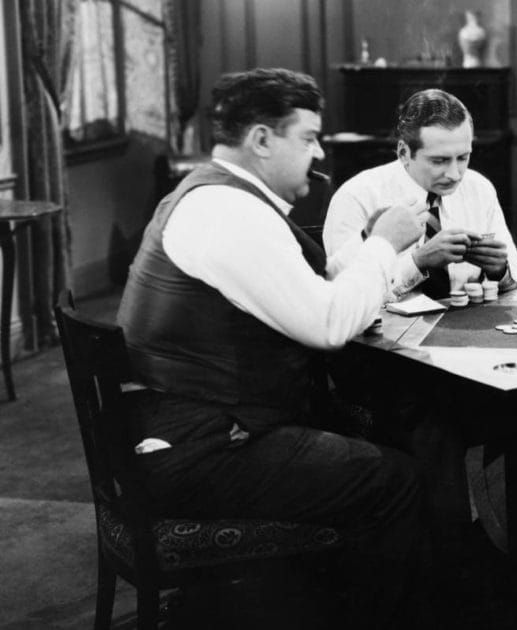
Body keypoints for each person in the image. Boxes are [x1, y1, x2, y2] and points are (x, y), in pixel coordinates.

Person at [116, 68, 428, 628]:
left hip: (186, 430)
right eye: (307, 138)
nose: (317, 153)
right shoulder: (228, 213)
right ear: (261, 140)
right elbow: (330, 323)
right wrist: (383, 244)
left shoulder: (219, 197)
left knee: (382, 431)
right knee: (396, 478)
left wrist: (389, 254)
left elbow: (321, 286)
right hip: (200, 449)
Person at [324, 88, 517, 300]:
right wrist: (418, 261)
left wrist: (500, 272)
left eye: (463, 158)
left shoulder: (479, 188)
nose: (454, 174)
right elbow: (343, 298)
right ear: (404, 152)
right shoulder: (358, 196)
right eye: (439, 161)